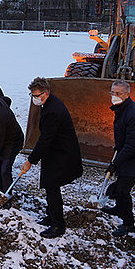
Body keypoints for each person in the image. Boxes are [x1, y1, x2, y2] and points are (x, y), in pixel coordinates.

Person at [21, 77, 83, 239]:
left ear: (46, 93)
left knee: (52, 187)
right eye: (32, 95)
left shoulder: (53, 110)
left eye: (37, 95)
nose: (34, 98)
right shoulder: (48, 104)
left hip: (62, 154)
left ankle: (58, 225)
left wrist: (30, 160)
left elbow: (46, 138)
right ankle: (51, 215)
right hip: (54, 152)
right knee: (50, 186)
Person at [101, 80, 135, 237]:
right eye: (113, 93)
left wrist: (115, 164)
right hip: (127, 155)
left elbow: (132, 145)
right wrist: (118, 150)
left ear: (127, 94)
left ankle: (128, 224)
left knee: (123, 190)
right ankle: (118, 209)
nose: (114, 96)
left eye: (118, 94)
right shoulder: (122, 108)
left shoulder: (134, 114)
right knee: (120, 188)